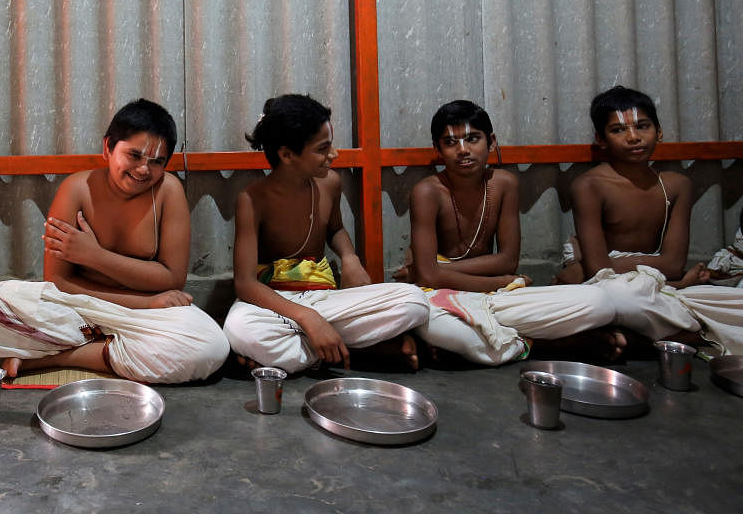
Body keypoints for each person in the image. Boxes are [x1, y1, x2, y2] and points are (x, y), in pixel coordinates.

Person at [0, 99, 229, 383]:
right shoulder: (76, 189)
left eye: (156, 162)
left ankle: (50, 357)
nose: (143, 170)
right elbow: (57, 283)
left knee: (210, 344)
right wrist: (147, 301)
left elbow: (171, 279)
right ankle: (106, 345)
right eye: (134, 156)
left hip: (141, 314)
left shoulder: (168, 192)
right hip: (79, 311)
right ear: (108, 148)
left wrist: (94, 256)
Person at [395, 100, 621, 365]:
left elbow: (507, 260)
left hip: (495, 299)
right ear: (438, 150)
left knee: (600, 301)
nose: (463, 150)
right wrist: (499, 281)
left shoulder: (504, 184)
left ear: (491, 142)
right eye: (450, 142)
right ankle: (550, 344)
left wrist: (435, 270)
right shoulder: (427, 192)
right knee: (436, 325)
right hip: (446, 298)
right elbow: (430, 277)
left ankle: (492, 342)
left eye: (473, 139)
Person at [223, 94, 429, 372]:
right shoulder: (252, 199)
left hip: (324, 297)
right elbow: (246, 284)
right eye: (323, 148)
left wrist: (349, 257)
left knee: (414, 301)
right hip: (274, 303)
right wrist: (308, 318)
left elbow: (336, 229)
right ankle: (356, 353)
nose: (334, 154)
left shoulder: (330, 183)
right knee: (239, 330)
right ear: (287, 155)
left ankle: (313, 352)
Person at [557, 86, 743, 354]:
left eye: (642, 126)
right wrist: (597, 264)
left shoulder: (677, 186)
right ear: (600, 139)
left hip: (657, 285)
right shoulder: (589, 185)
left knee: (735, 302)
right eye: (618, 130)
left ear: (659, 131)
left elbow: (674, 263)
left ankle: (636, 337)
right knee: (619, 299)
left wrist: (607, 262)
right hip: (614, 286)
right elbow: (600, 269)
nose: (633, 137)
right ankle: (688, 336)